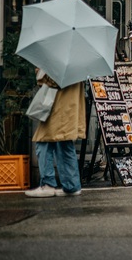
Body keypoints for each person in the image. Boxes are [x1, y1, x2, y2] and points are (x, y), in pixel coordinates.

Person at [25, 70, 86, 198]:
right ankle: (72, 186)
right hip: (70, 106)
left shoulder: (60, 60)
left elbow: (54, 80)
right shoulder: (78, 61)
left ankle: (48, 184)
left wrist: (41, 73)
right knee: (65, 143)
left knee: (43, 141)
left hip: (58, 106)